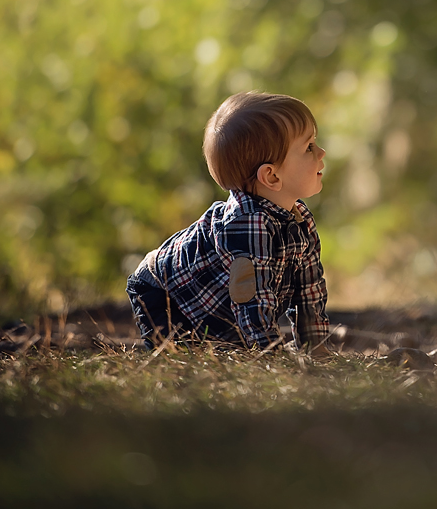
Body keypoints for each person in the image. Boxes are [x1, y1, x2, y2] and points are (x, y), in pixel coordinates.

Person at [126, 91, 330, 354]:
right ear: (271, 176)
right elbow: (252, 300)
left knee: (233, 346)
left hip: (217, 299)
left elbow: (310, 287)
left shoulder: (301, 220)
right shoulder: (246, 226)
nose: (322, 151)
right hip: (164, 294)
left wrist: (316, 347)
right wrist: (270, 355)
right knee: (186, 363)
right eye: (309, 147)